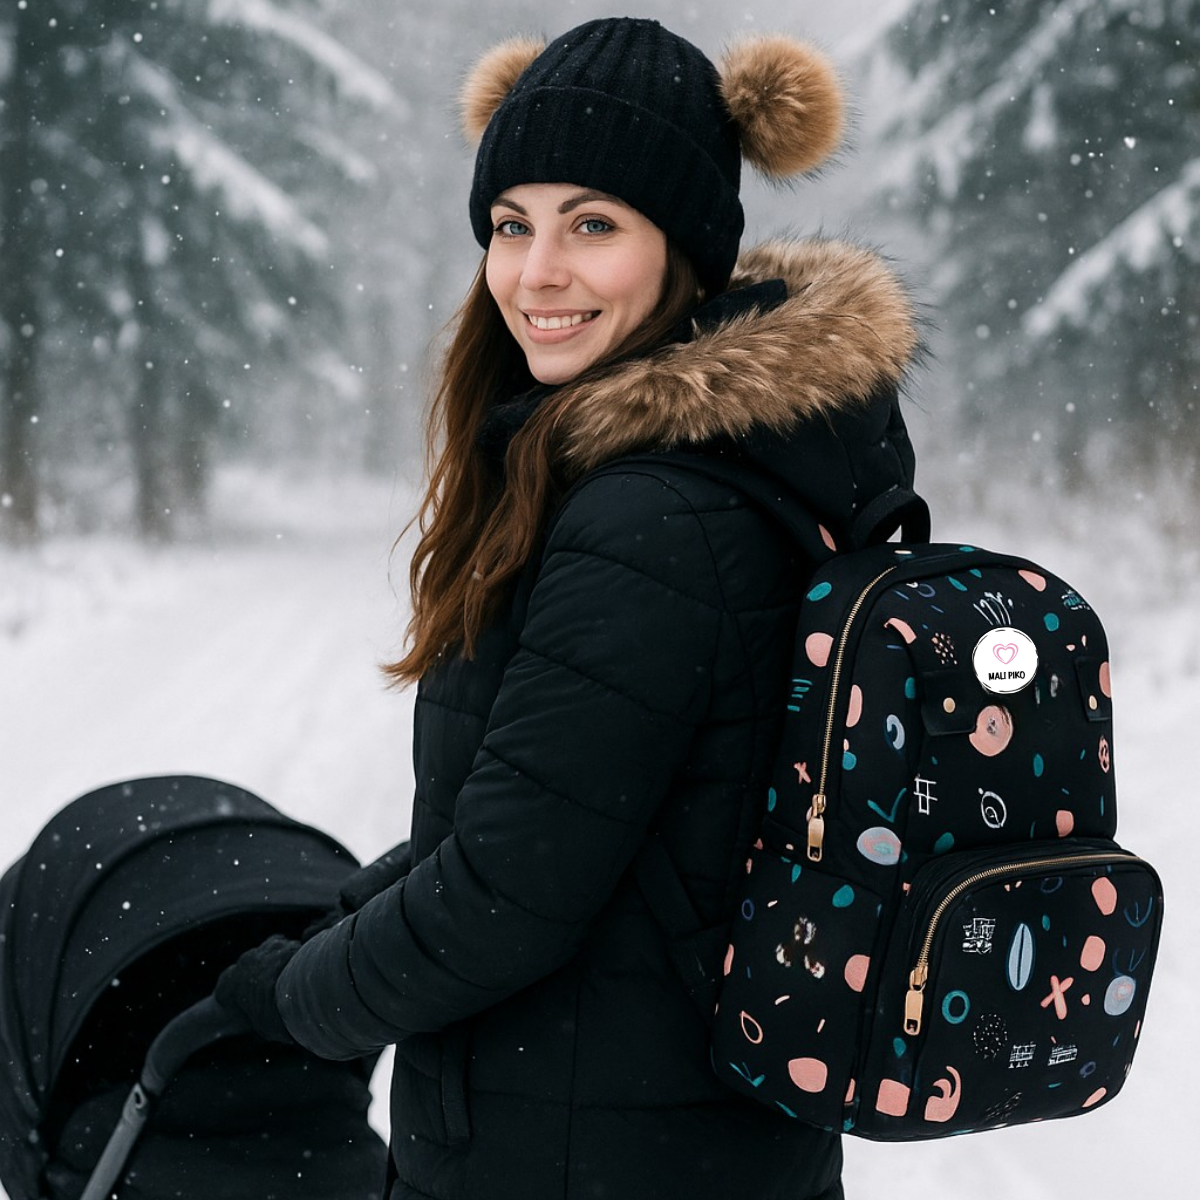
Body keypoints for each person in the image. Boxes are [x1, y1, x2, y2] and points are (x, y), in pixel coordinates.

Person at [215, 16, 919, 1200]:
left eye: (592, 224)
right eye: (511, 224)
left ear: (684, 249)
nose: (536, 272)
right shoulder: (728, 473)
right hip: (687, 1144)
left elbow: (503, 899)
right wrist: (338, 921)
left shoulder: (656, 520)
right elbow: (561, 819)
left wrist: (287, 1004)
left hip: (579, 1157)